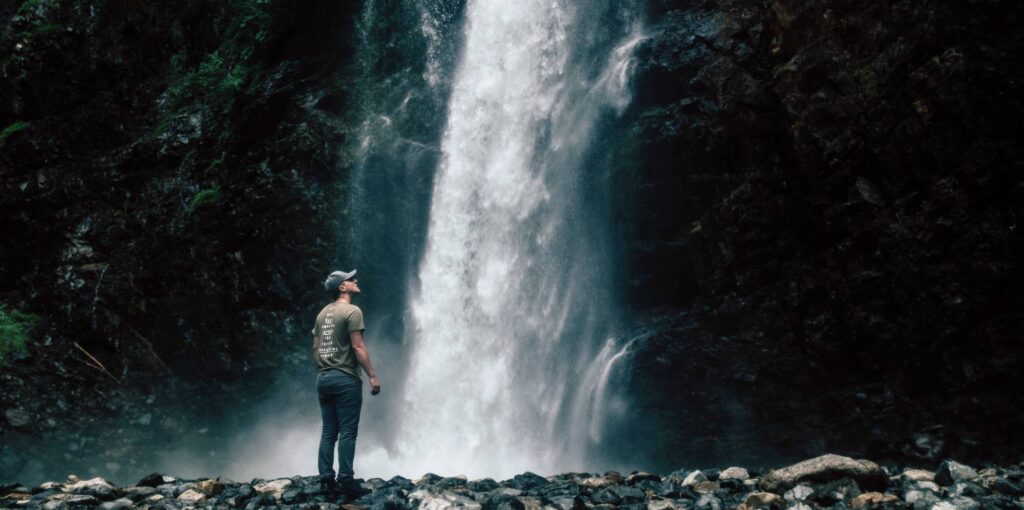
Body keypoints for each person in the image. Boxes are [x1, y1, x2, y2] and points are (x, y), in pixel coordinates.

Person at [312, 269, 381, 498]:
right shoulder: (352, 311)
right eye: (351, 279)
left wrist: (325, 367)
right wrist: (371, 375)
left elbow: (315, 348)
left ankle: (325, 480)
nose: (355, 281)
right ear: (342, 287)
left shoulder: (322, 314)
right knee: (348, 432)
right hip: (345, 378)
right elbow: (358, 347)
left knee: (328, 432)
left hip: (323, 377)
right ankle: (346, 480)